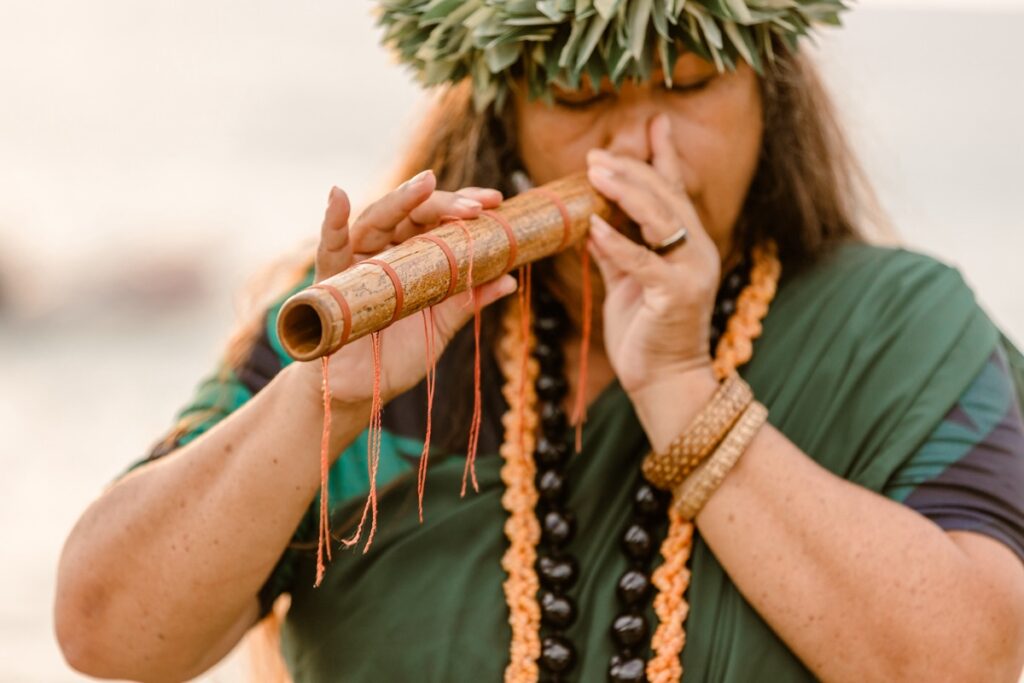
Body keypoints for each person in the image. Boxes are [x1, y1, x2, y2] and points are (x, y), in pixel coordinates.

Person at [55, 2, 1024, 681]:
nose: (645, 145)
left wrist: (682, 387)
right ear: (503, 119)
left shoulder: (898, 323)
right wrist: (326, 397)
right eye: (578, 98)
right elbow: (108, 632)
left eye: (688, 85)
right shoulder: (361, 322)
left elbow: (964, 660)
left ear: (771, 101)